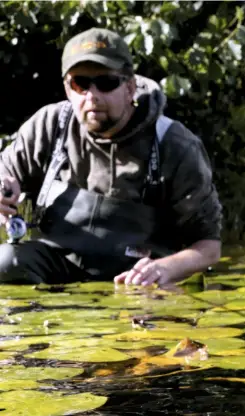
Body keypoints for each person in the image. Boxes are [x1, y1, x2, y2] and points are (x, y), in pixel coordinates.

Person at [0, 27, 222, 287]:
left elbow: (209, 246)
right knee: (5, 261)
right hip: (57, 264)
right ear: (67, 89)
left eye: (106, 83)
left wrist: (165, 269)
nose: (92, 96)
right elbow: (5, 171)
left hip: (136, 278)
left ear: (130, 87)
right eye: (80, 84)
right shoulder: (49, 126)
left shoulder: (174, 145)